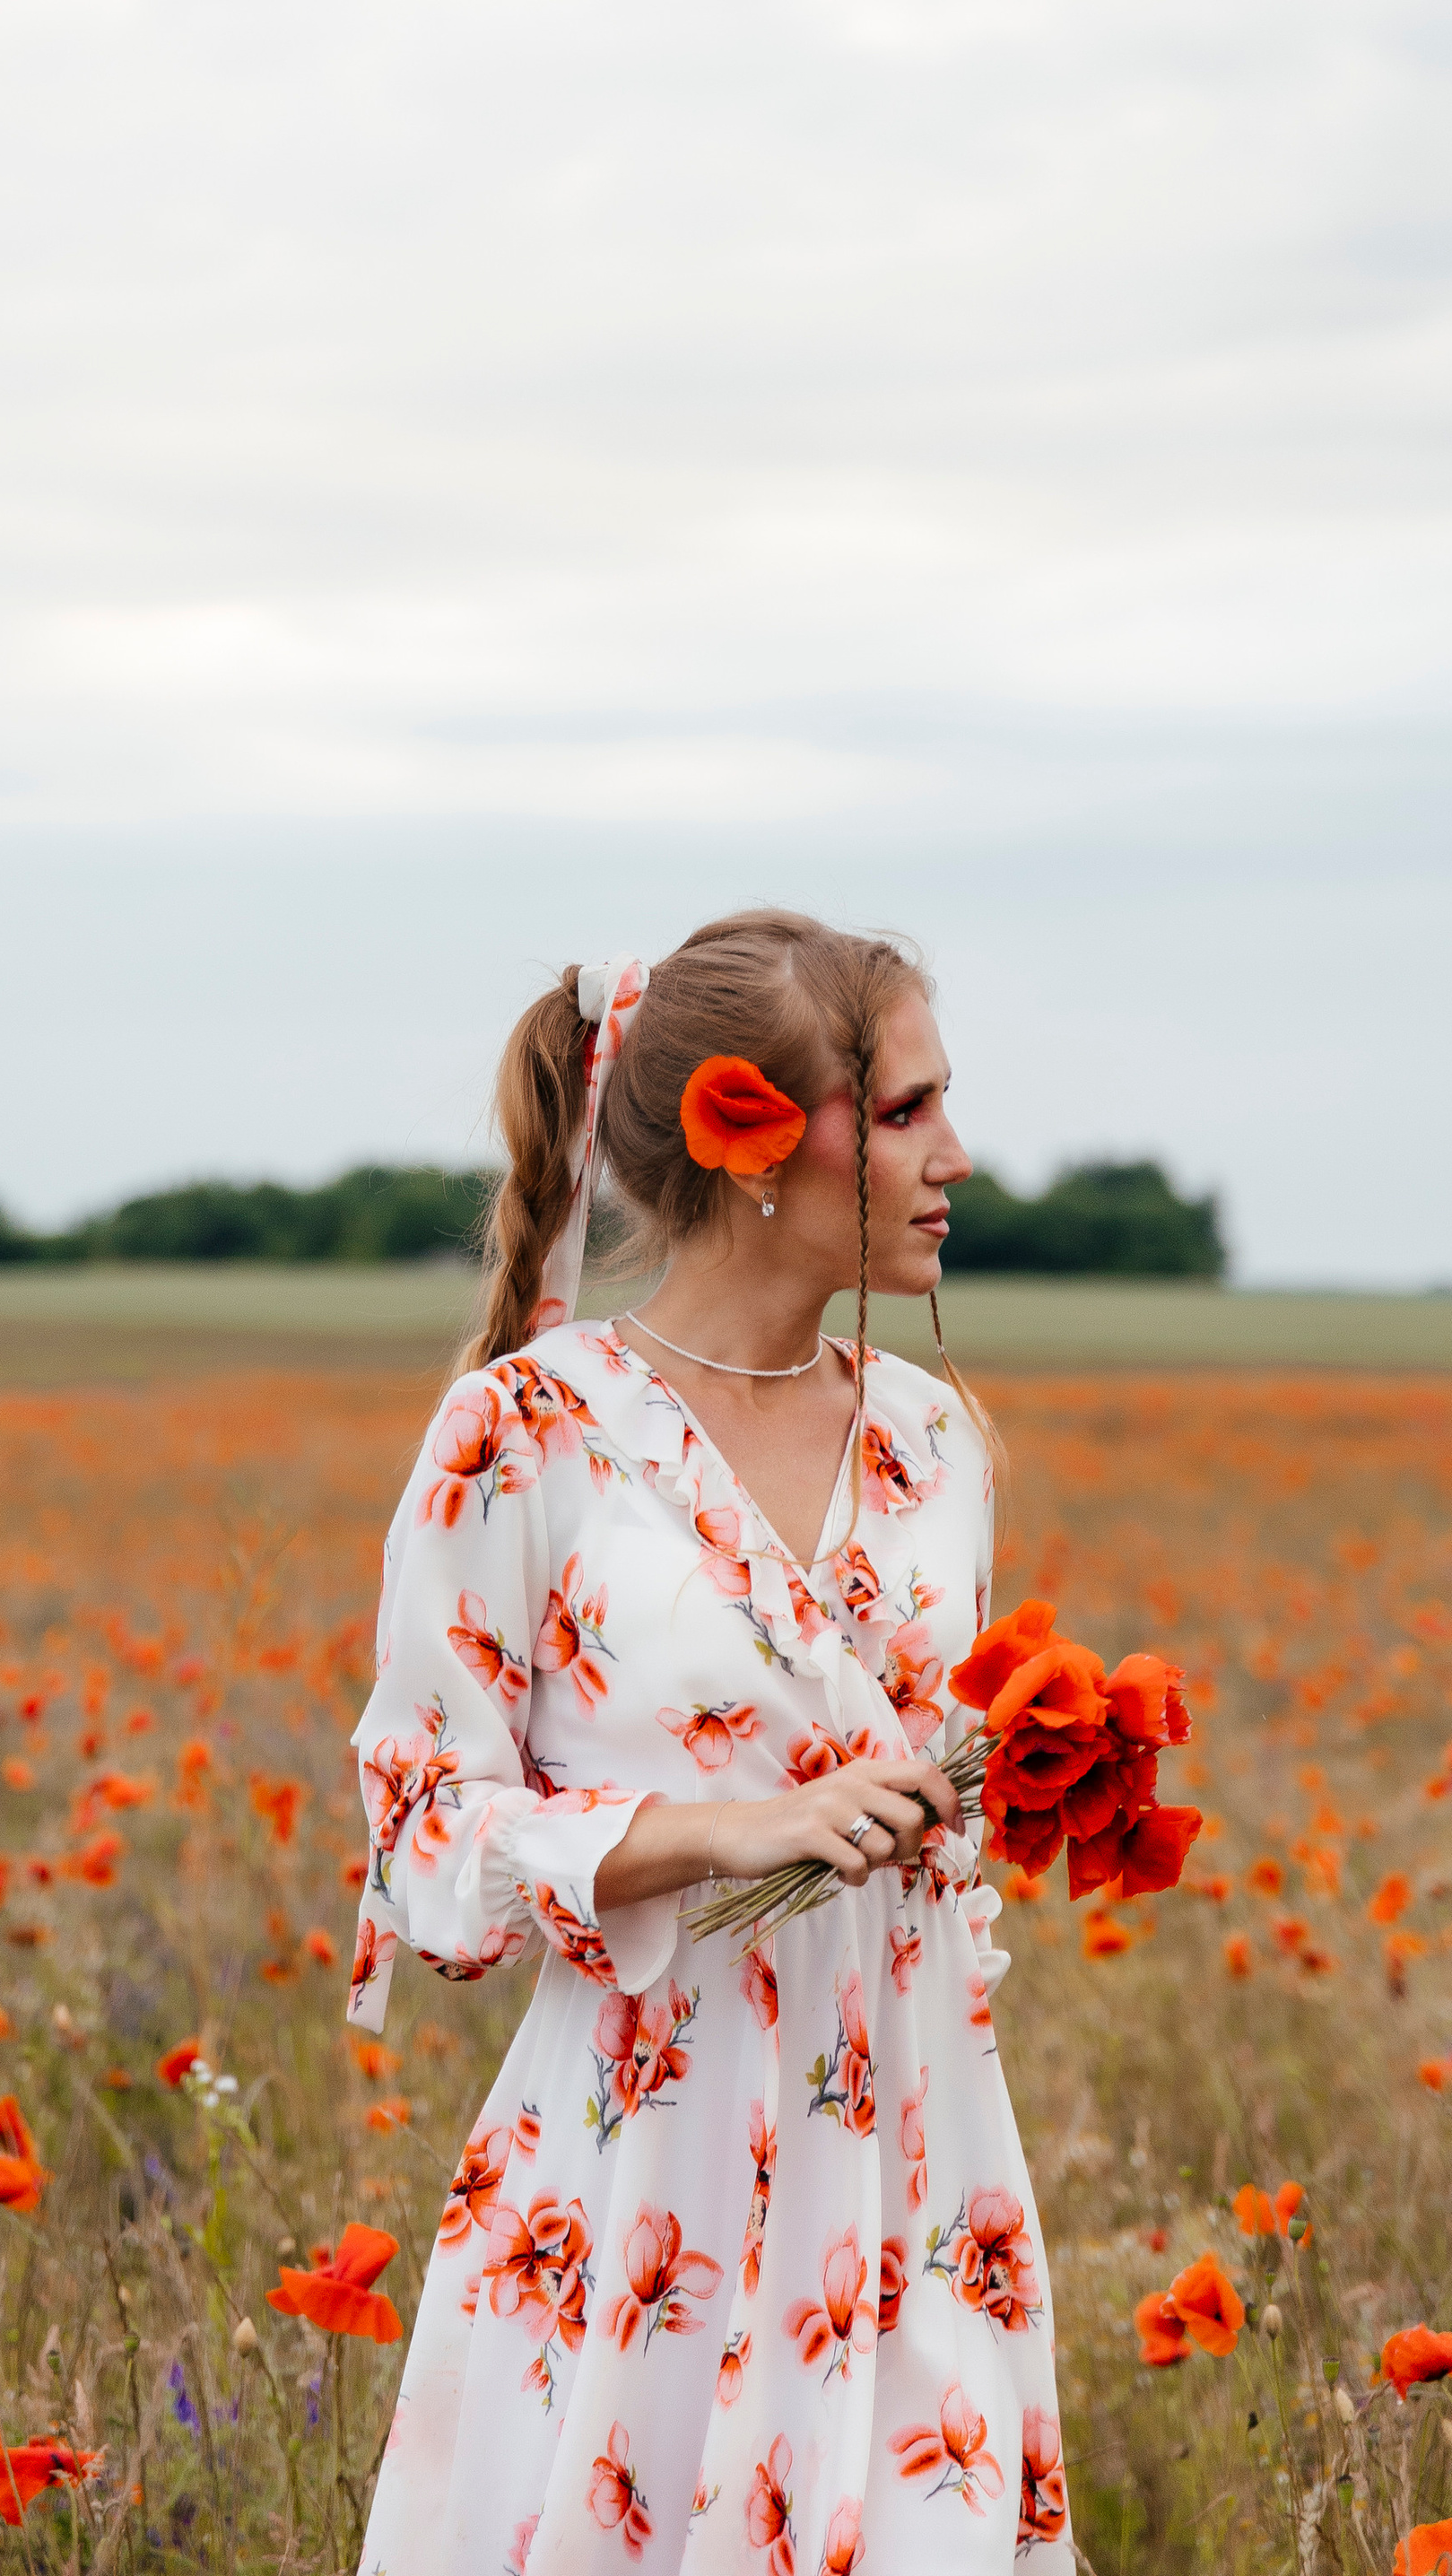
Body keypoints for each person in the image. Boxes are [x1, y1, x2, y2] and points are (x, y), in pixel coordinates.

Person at [346, 910, 1070, 2574]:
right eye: (901, 1113)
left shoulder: (931, 1440)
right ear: (748, 1135)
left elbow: (935, 1815)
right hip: (637, 2191)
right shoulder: (525, 1435)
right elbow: (421, 1840)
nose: (956, 1155)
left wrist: (1039, 1775)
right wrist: (703, 1832)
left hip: (914, 2171)